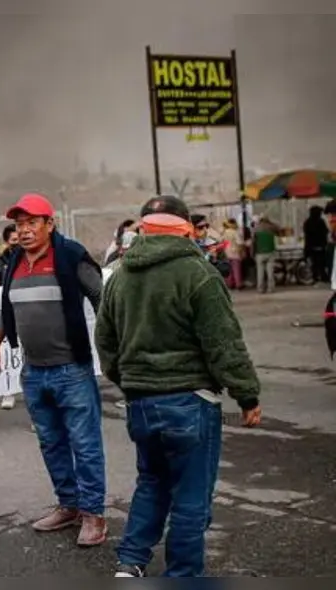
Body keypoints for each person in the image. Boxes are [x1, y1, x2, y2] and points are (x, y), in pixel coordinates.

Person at [95, 195, 261, 578]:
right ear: (186, 228)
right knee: (190, 497)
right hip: (190, 401)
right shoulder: (198, 274)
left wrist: (131, 382)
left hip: (141, 403)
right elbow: (224, 343)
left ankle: (130, 561)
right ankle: (183, 575)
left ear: (143, 230)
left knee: (151, 482)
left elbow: (105, 341)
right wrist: (246, 394)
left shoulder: (119, 275)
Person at [0, 193, 107, 547]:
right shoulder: (15, 262)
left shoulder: (70, 256)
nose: (24, 231)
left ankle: (94, 515)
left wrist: (112, 346)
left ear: (50, 224)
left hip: (72, 371)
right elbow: (7, 309)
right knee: (51, 443)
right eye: (19, 225)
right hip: (33, 373)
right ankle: (68, 506)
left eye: (32, 223)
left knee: (84, 445)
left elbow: (103, 300)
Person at [253, 215, 279, 293]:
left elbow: (253, 242)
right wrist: (271, 222)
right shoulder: (271, 227)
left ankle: (260, 289)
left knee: (260, 272)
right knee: (270, 271)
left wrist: (253, 253)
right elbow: (278, 229)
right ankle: (270, 288)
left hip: (260, 252)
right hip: (270, 252)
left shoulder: (256, 228)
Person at [304, 205, 330, 284]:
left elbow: (306, 234)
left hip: (311, 246)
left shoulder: (307, 222)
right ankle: (323, 277)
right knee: (322, 263)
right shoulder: (320, 221)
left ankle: (315, 277)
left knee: (314, 263)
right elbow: (326, 231)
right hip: (320, 246)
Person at [220, 219, 244, 289]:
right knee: (236, 270)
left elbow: (221, 242)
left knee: (229, 270)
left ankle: (230, 284)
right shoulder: (235, 232)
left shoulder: (224, 232)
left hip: (227, 253)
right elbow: (240, 243)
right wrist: (241, 252)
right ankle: (238, 284)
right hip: (235, 253)